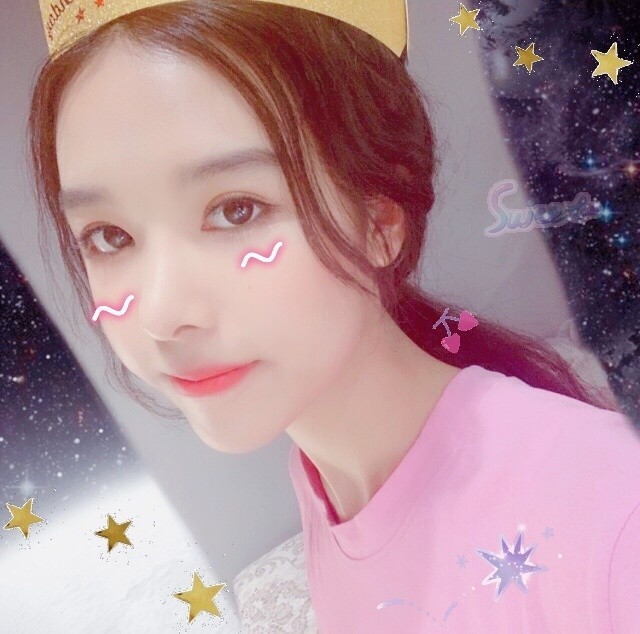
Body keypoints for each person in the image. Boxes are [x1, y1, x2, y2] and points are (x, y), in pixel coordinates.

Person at [29, 0, 640, 631]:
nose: (161, 315)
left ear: (380, 220)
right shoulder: (323, 476)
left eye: (236, 210)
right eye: (108, 236)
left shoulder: (612, 522)